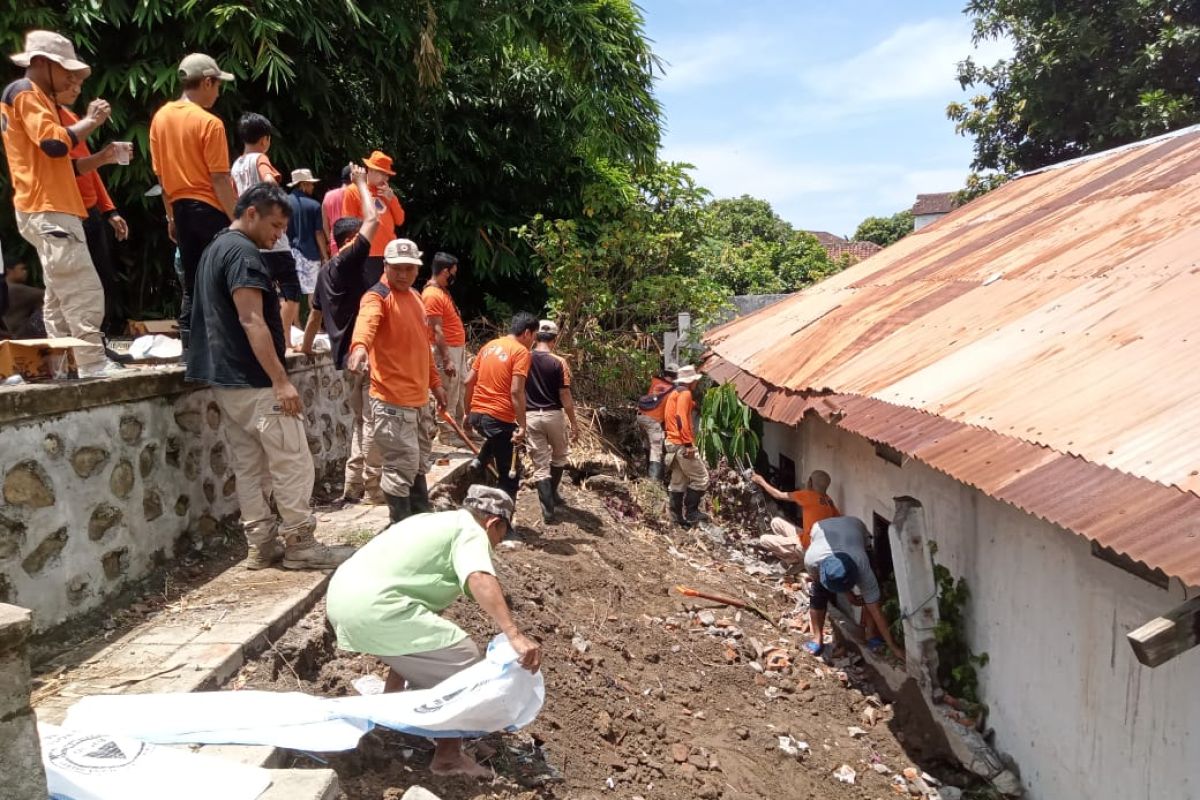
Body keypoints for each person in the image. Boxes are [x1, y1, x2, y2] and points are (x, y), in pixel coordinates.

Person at [186, 181, 349, 571]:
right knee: (291, 460)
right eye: (275, 226)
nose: (278, 236)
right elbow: (251, 318)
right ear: (252, 213)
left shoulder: (214, 249)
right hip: (256, 381)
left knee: (249, 467)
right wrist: (280, 379)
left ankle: (260, 544)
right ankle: (301, 544)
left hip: (227, 383)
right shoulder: (242, 254)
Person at [326, 484, 541, 779]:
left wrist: (391, 697)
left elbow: (413, 637)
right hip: (375, 608)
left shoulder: (433, 521)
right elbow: (479, 577)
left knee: (430, 645)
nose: (496, 544)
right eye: (501, 536)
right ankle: (448, 757)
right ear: (494, 523)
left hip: (345, 598)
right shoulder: (471, 531)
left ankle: (389, 715)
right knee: (464, 659)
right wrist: (514, 634)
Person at [1, 30, 119, 376]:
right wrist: (92, 121)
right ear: (41, 63)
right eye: (66, 71)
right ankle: (92, 364)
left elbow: (64, 164)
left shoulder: (32, 96)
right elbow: (54, 144)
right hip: (49, 207)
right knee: (82, 288)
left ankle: (63, 365)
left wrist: (101, 157)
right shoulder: (26, 93)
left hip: (46, 206)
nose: (72, 79)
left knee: (57, 293)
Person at [347, 238, 447, 524]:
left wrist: (436, 385)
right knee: (399, 468)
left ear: (417, 269)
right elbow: (366, 326)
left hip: (417, 402)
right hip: (392, 403)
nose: (403, 274)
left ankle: (420, 515)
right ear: (385, 266)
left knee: (416, 464)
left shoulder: (416, 298)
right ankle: (400, 525)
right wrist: (359, 349)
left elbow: (422, 348)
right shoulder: (377, 297)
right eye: (397, 268)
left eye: (409, 268)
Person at [302, 164, 383, 506]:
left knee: (360, 422)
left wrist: (303, 346)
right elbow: (374, 220)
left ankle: (353, 483)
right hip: (364, 356)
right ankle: (374, 488)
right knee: (373, 423)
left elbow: (314, 316)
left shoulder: (324, 274)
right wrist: (362, 184)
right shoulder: (349, 260)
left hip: (345, 360)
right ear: (350, 241)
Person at [149, 53, 237, 351]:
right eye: (217, 85)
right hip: (211, 209)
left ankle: (190, 350)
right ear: (208, 82)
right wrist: (237, 219)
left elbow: (161, 178)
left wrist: (170, 217)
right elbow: (220, 179)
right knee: (220, 280)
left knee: (192, 282)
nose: (218, 92)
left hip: (181, 210)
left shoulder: (160, 118)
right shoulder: (210, 123)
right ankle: (220, 349)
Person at [53, 66, 130, 336]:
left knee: (101, 279)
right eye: (70, 82)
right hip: (66, 213)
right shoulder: (54, 123)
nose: (76, 88)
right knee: (80, 286)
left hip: (89, 211)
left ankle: (98, 344)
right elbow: (68, 166)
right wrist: (91, 121)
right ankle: (85, 348)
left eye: (79, 84)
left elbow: (88, 170)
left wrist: (109, 210)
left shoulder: (71, 118)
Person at [230, 112, 303, 337]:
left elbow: (233, 200)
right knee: (291, 288)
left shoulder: (236, 166)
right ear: (265, 140)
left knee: (261, 290)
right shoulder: (260, 158)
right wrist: (281, 218)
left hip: (249, 237)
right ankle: (284, 339)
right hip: (272, 239)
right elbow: (271, 183)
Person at [804, 515, 904, 661]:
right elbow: (822, 584)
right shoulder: (812, 560)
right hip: (820, 527)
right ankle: (816, 639)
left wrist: (894, 647)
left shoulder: (862, 565)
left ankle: (871, 635)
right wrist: (849, 595)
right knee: (817, 595)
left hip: (855, 527)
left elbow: (875, 609)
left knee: (872, 597)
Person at [462, 313, 538, 499]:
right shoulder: (521, 352)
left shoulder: (489, 346)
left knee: (500, 434)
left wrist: (467, 413)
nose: (533, 342)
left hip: (478, 416)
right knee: (509, 476)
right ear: (527, 333)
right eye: (534, 337)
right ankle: (504, 524)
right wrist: (523, 425)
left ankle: (480, 461)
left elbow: (468, 381)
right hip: (498, 417)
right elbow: (516, 391)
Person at [525, 320, 578, 523]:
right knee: (560, 456)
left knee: (540, 465)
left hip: (530, 416)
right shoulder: (558, 362)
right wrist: (573, 423)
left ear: (535, 337)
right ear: (554, 340)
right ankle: (553, 495)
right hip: (553, 415)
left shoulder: (525, 358)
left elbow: (517, 389)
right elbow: (564, 394)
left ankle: (548, 510)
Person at [341, 150, 404, 286]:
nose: (386, 179)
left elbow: (400, 220)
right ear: (371, 170)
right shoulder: (353, 191)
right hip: (367, 254)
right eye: (383, 174)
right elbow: (348, 225)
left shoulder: (386, 192)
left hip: (389, 253)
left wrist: (391, 199)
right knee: (370, 296)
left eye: (387, 175)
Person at [422, 252, 467, 442]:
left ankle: (459, 430)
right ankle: (447, 435)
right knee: (448, 391)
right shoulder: (432, 295)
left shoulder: (441, 291)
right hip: (446, 351)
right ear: (445, 271)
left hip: (457, 348)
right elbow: (437, 330)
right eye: (453, 273)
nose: (454, 277)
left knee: (459, 389)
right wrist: (447, 358)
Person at [751, 469, 839, 563]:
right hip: (814, 543)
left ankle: (794, 558)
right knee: (776, 522)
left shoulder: (808, 495)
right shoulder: (829, 501)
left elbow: (778, 495)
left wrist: (761, 481)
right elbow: (838, 519)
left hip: (807, 548)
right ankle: (790, 548)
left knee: (764, 540)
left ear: (810, 482)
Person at [663, 365, 708, 527]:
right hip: (681, 443)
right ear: (691, 382)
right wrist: (688, 444)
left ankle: (676, 517)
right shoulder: (686, 394)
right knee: (701, 478)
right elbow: (681, 419)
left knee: (678, 481)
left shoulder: (674, 393)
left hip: (672, 442)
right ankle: (691, 512)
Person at [285, 168, 327, 301]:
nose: (313, 186)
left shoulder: (284, 202)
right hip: (309, 253)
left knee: (292, 291)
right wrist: (325, 256)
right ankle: (313, 320)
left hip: (288, 251)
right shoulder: (314, 205)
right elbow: (318, 232)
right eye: (310, 183)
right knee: (313, 291)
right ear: (303, 185)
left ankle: (295, 321)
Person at [636, 364, 678, 480]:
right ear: (675, 376)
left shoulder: (655, 381)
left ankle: (647, 471)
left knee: (647, 443)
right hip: (652, 420)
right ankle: (653, 481)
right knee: (656, 448)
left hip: (641, 416)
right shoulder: (673, 391)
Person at [2, 259, 45, 337]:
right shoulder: (15, 289)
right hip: (14, 337)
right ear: (9, 270)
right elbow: (50, 296)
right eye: (23, 269)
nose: (26, 272)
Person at [321, 165, 351, 256]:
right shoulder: (355, 195)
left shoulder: (328, 196)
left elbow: (325, 223)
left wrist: (330, 240)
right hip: (352, 240)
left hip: (334, 242)